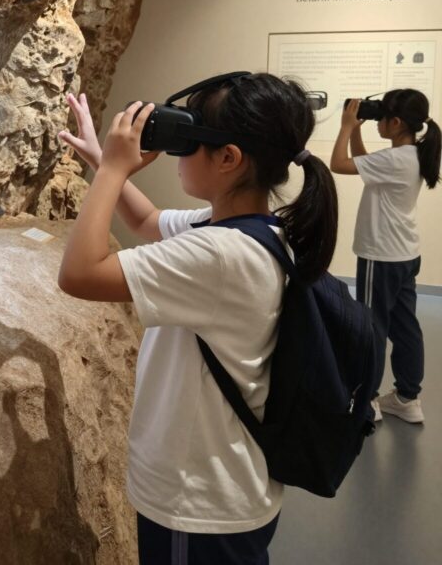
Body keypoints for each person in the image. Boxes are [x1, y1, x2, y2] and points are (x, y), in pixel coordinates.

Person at [57, 74, 338, 565]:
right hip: (227, 483)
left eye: (189, 142)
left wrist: (110, 176)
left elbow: (79, 274)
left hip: (197, 501)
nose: (178, 154)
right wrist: (104, 163)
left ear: (228, 159)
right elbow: (147, 222)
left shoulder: (221, 254)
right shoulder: (255, 230)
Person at [330, 90, 441, 424]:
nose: (377, 121)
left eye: (381, 118)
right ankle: (408, 398)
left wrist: (347, 126)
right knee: (405, 327)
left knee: (371, 327)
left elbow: (338, 164)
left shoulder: (394, 160)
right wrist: (361, 131)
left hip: (380, 256)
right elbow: (365, 163)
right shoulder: (413, 155)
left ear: (395, 123)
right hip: (405, 254)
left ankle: (366, 400)